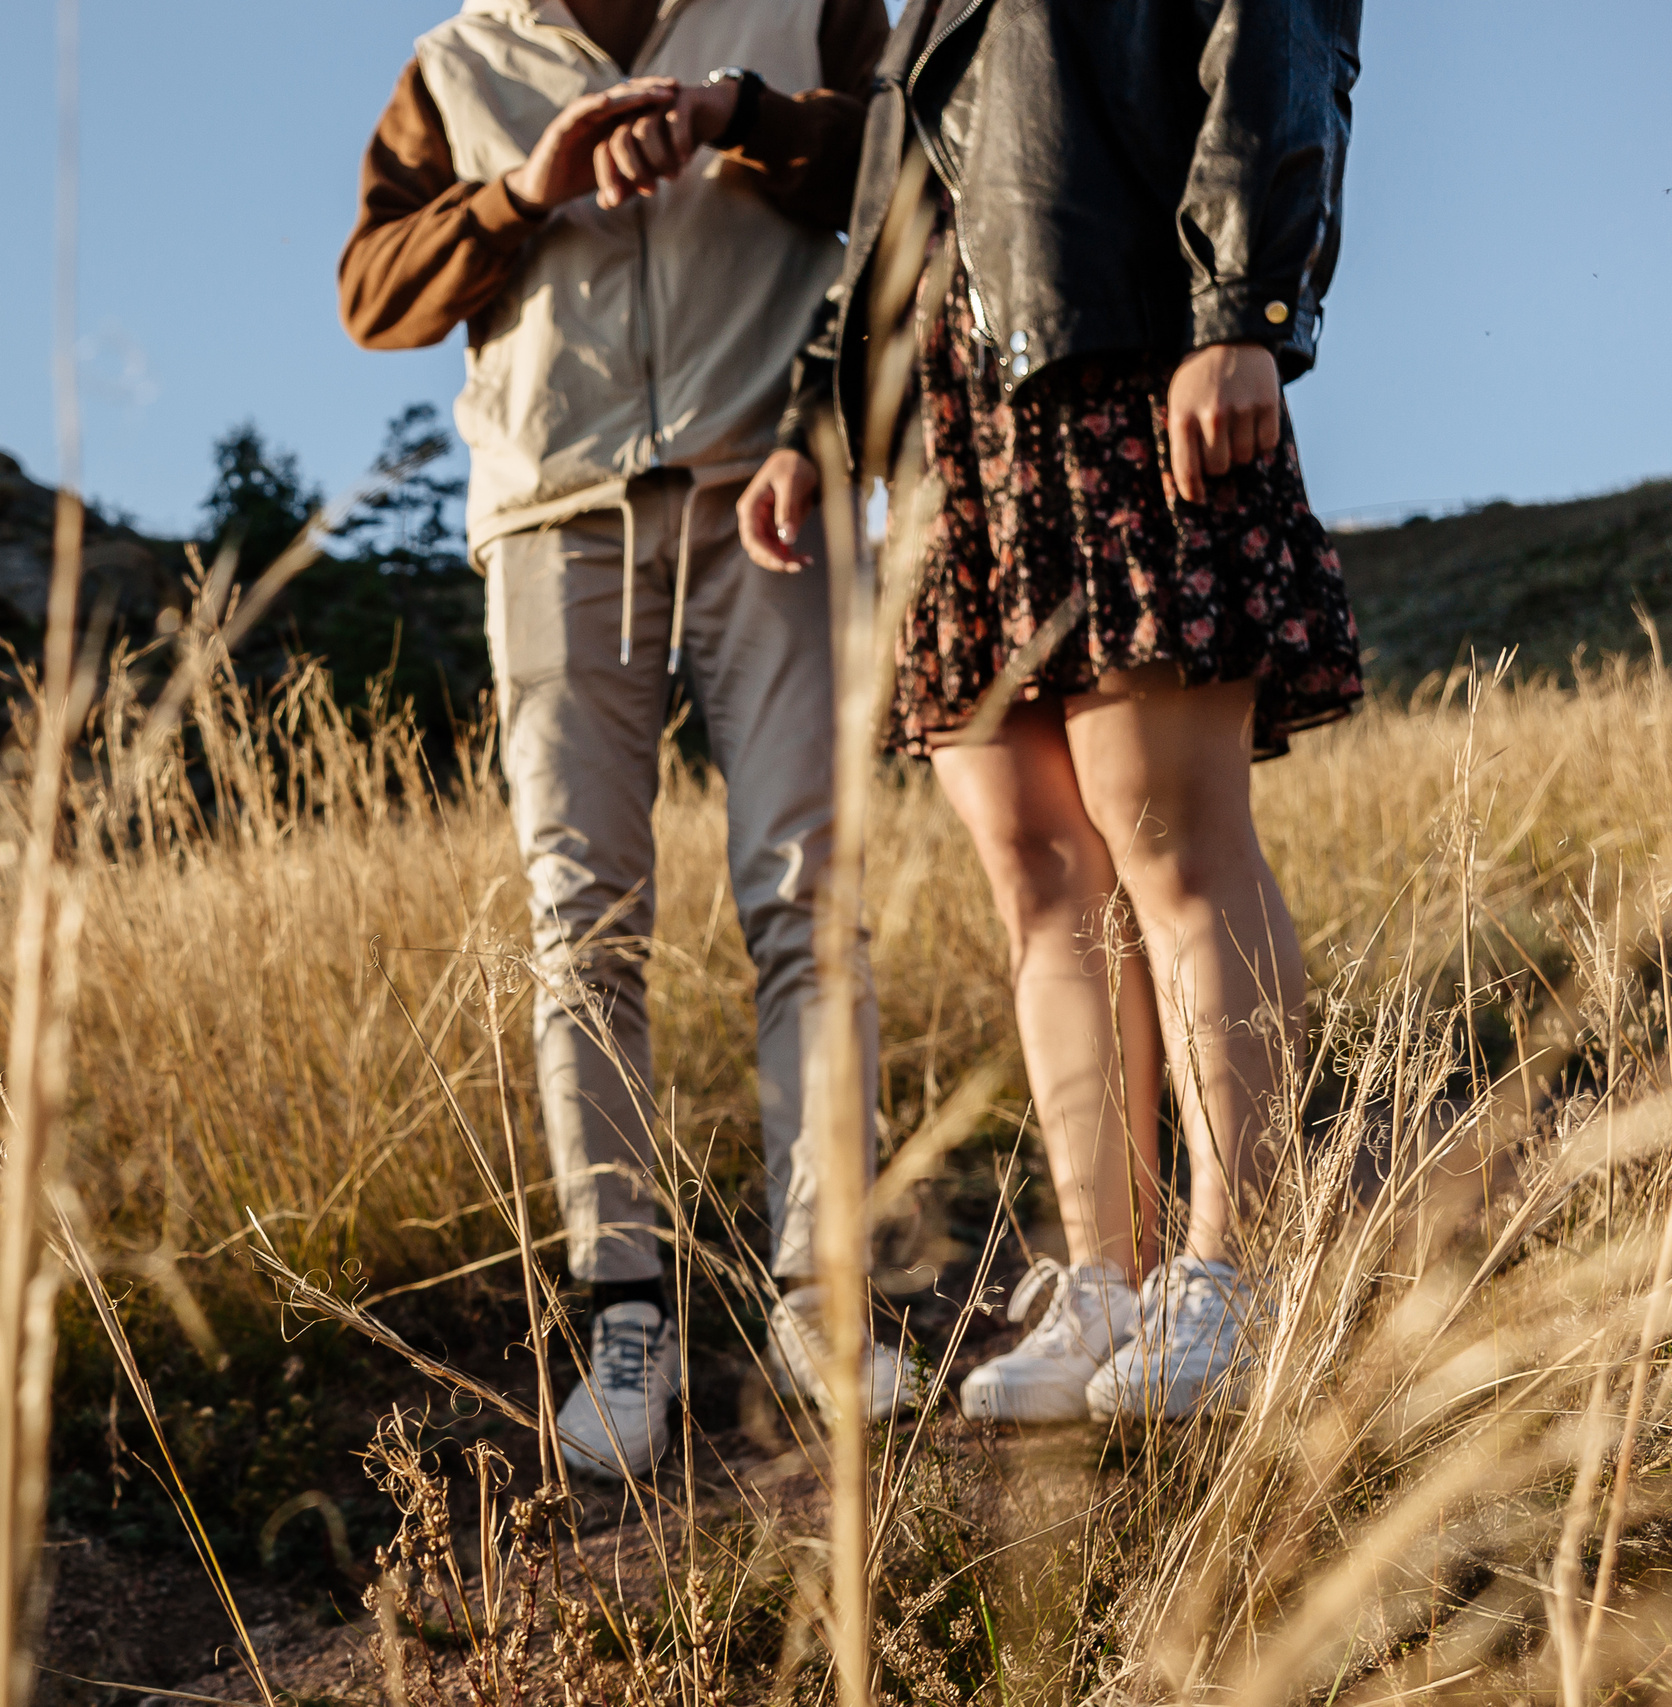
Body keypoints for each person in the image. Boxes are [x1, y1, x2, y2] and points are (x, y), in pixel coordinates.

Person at [737, 0, 1364, 1422]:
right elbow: (902, 192)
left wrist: (1245, 309)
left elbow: (1278, 44)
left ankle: (1231, 1274)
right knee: (1036, 872)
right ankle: (1110, 1281)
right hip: (953, 427)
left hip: (1123, 355)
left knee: (1172, 845)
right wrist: (808, 419)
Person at [339, 0, 899, 1476]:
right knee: (582, 922)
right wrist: (529, 188)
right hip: (554, 524)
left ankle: (825, 1298)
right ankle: (626, 1313)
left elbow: (911, 165)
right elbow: (372, 291)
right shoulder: (456, 65)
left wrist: (740, 118)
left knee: (807, 897)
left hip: (772, 487)